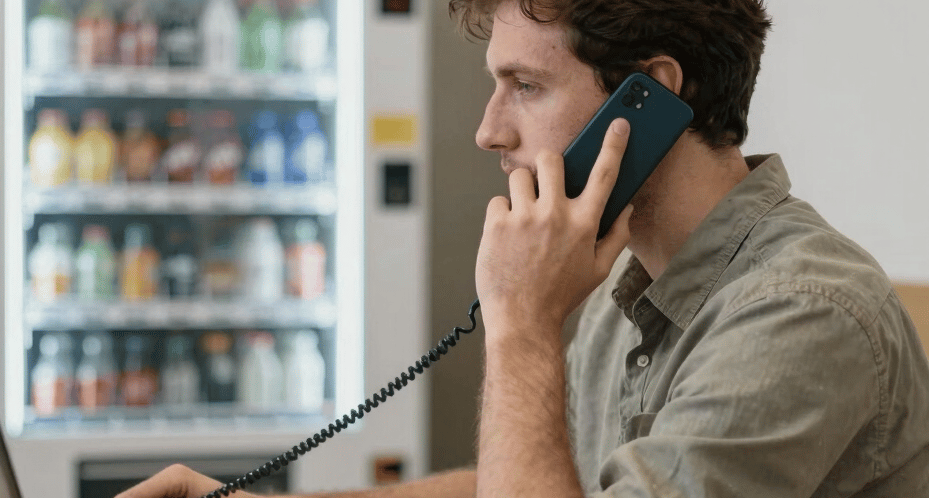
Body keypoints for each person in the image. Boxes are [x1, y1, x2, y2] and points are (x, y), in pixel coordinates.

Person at [116, 0, 929, 496]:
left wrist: (518, 322)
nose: (488, 129)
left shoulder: (799, 315)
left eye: (526, 86)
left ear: (648, 99)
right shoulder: (636, 286)